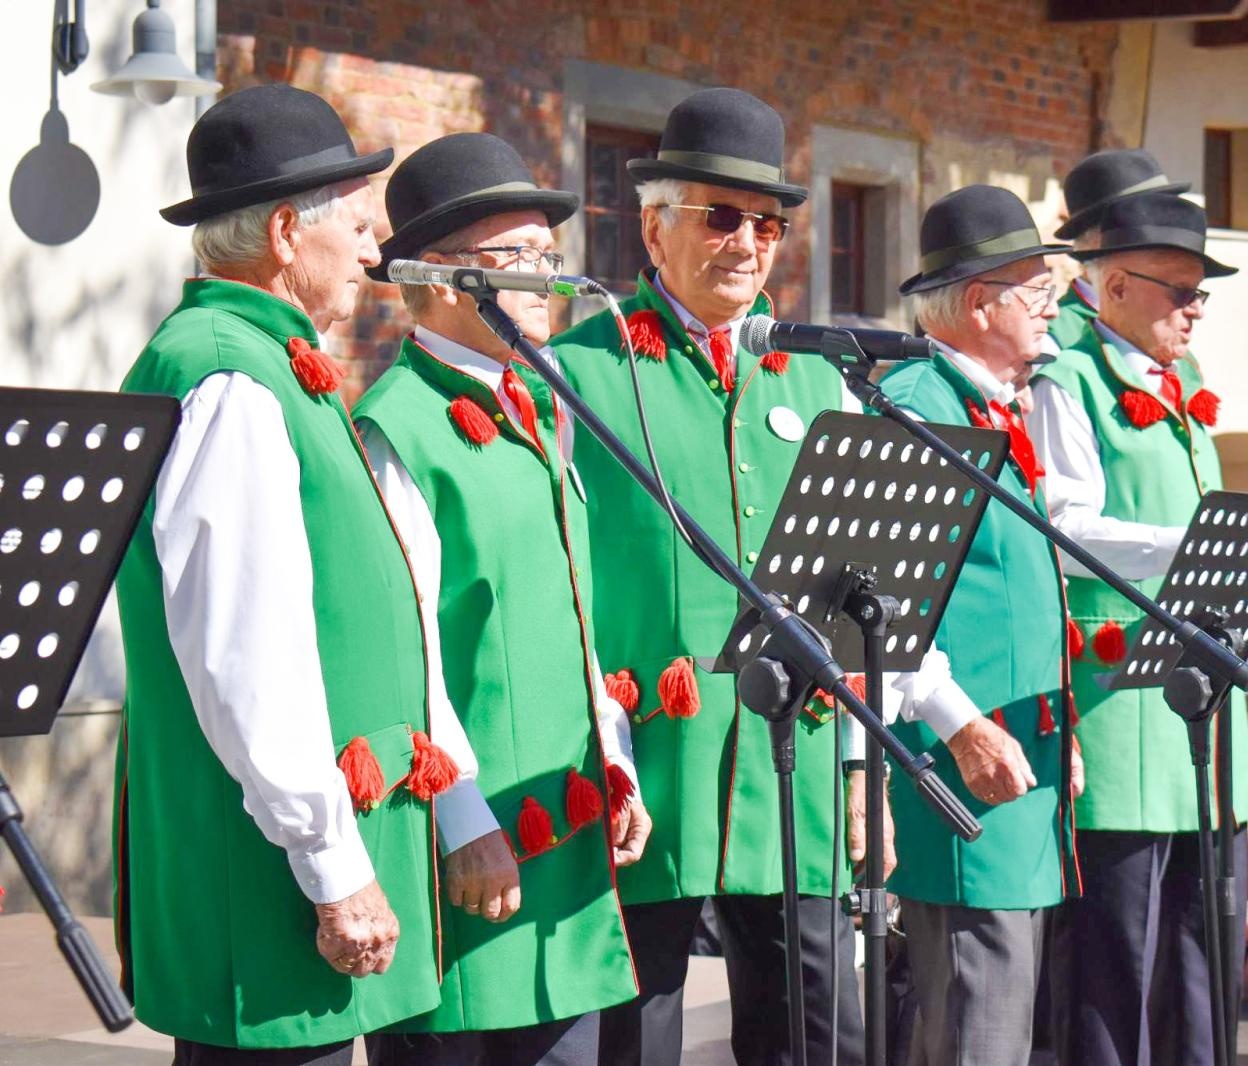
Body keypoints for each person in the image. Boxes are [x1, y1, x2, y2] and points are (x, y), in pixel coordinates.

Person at [548, 87, 1018, 1066]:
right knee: (639, 1038)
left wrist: (906, 745)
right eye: (721, 216)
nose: (748, 242)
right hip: (651, 775)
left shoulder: (812, 373)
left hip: (788, 771)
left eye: (768, 223)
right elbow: (563, 589)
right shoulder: (578, 369)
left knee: (821, 1036)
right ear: (653, 226)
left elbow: (859, 587)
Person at [116, 84, 501, 1064]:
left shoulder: (265, 363)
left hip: (285, 871)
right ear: (287, 232)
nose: (375, 251)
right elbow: (243, 654)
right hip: (268, 885)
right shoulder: (233, 375)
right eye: (359, 225)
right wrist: (332, 864)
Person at [353, 132, 651, 1065]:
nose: (548, 278)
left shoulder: (544, 403)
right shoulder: (392, 426)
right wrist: (462, 820)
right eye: (518, 258)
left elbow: (571, 611)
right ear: (441, 278)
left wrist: (617, 752)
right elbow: (411, 651)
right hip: (473, 845)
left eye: (548, 256)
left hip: (564, 834)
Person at [1026, 191, 1248, 1066]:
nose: (1195, 309)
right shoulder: (1067, 376)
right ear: (1115, 285)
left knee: (1203, 963)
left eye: (1203, 293)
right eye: (1180, 291)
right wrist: (1194, 541)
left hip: (1199, 703)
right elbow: (1064, 524)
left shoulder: (1185, 383)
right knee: (1115, 965)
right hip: (1120, 709)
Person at [878, 184, 1080, 1066]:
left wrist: (1057, 724)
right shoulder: (920, 401)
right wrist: (964, 728)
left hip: (1015, 751)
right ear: (976, 303)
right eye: (1034, 289)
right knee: (977, 1018)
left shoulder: (990, 400)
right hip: (963, 755)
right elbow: (889, 603)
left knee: (1002, 1013)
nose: (1051, 308)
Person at [1044, 149, 1189, 356]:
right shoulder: (1052, 340)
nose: (1168, 237)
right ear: (1101, 239)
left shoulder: (1168, 327)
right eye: (1151, 225)